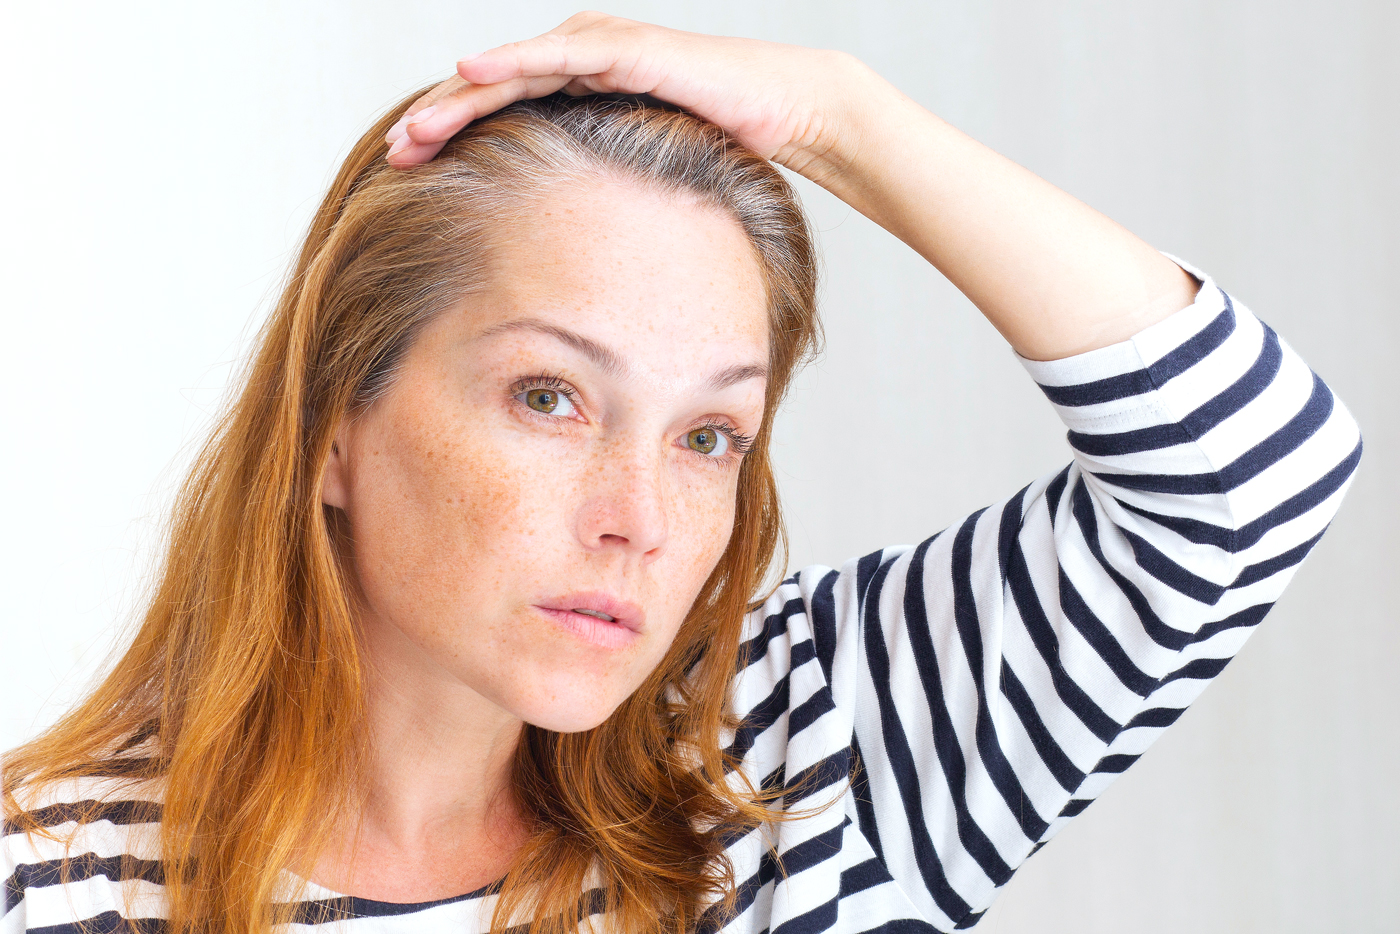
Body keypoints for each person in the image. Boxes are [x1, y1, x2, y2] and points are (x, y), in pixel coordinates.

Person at [0, 12, 1361, 934]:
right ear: (331, 427)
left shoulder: (790, 769)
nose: (639, 520)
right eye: (550, 396)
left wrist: (837, 115)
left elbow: (1249, 471)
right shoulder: (45, 877)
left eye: (709, 434)